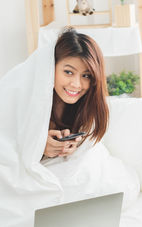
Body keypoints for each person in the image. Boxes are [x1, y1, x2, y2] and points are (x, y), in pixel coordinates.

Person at [42, 27, 109, 160]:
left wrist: (68, 146)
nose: (76, 84)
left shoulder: (88, 104)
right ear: (52, 66)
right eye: (68, 72)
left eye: (86, 76)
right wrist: (38, 146)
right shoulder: (32, 99)